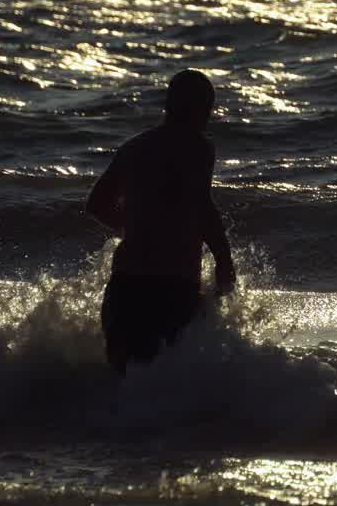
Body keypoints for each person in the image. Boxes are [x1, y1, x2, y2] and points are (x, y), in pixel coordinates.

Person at [87, 70, 235, 375]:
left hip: (125, 287)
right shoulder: (197, 146)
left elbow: (96, 204)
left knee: (123, 385)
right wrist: (223, 258)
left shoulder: (134, 147)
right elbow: (201, 204)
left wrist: (135, 230)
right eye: (207, 106)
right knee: (168, 390)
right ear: (200, 108)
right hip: (171, 289)